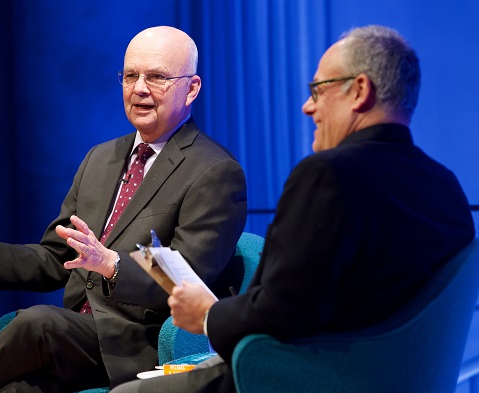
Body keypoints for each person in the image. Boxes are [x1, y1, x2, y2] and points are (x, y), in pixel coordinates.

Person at [110, 25, 476, 393]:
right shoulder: (447, 188)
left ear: (360, 91)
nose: (308, 106)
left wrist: (207, 314)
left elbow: (283, 310)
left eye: (318, 89)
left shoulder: (328, 175)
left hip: (297, 378)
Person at [0, 26, 247, 392]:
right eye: (130, 76)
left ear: (191, 88)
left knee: (37, 324)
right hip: (77, 338)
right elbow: (55, 259)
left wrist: (112, 265)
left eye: (157, 77)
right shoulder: (101, 158)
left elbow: (187, 281)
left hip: (138, 341)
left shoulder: (214, 171)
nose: (139, 88)